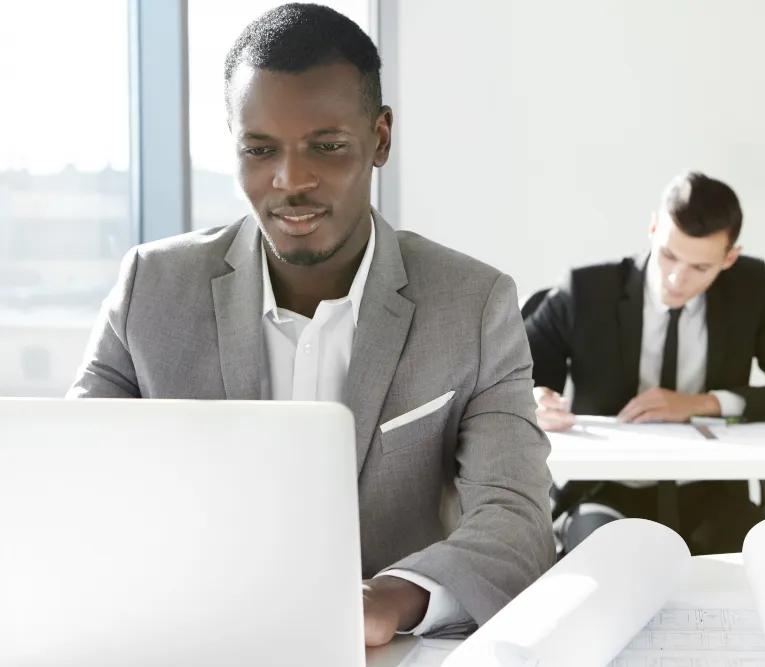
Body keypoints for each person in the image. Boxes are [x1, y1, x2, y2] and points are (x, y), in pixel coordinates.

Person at [68, 3, 555, 645]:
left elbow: (515, 521)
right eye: (260, 149)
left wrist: (390, 599)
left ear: (380, 139)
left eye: (326, 147)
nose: (290, 180)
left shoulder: (474, 303)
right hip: (183, 639)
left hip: (376, 652)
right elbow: (72, 483)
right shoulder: (150, 290)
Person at [525, 171, 765, 555]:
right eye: (669, 254)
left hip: (712, 490)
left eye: (701, 268)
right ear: (653, 228)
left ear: (729, 258)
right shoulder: (587, 291)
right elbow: (511, 380)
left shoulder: (748, 289)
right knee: (608, 567)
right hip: (608, 490)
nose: (676, 278)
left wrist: (703, 404)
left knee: (761, 571)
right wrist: (533, 399)